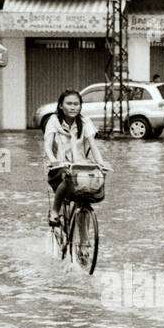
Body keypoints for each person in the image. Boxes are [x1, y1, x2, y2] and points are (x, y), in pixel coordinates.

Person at [44, 88, 109, 227]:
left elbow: (94, 147)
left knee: (86, 194)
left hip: (80, 166)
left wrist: (101, 164)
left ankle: (83, 241)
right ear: (61, 105)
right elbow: (47, 146)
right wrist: (53, 160)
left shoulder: (85, 122)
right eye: (69, 104)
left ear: (80, 106)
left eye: (76, 104)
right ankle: (55, 211)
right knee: (66, 178)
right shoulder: (54, 120)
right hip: (58, 166)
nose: (73, 107)